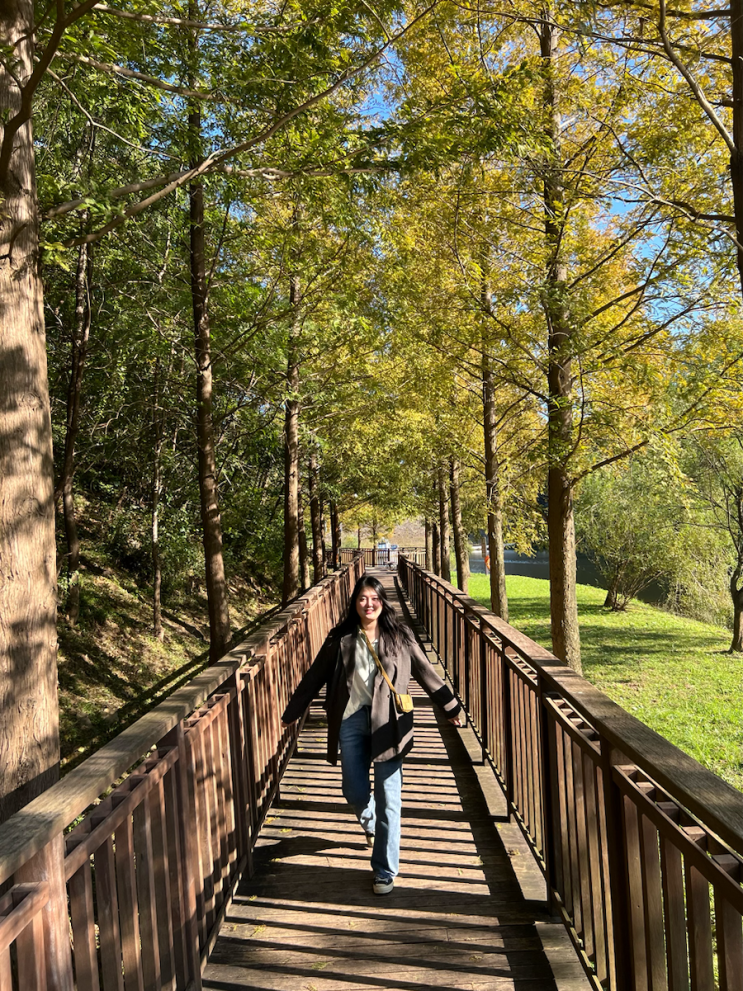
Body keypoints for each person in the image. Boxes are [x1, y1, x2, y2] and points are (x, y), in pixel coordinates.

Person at [281, 574, 462, 895]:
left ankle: (384, 871)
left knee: (390, 798)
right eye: (362, 599)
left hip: (390, 724)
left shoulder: (400, 635)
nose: (369, 604)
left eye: (374, 598)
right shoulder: (341, 638)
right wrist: (292, 712)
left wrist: (450, 708)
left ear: (383, 602)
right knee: (353, 789)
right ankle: (369, 822)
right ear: (354, 603)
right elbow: (314, 676)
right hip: (350, 720)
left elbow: (425, 672)